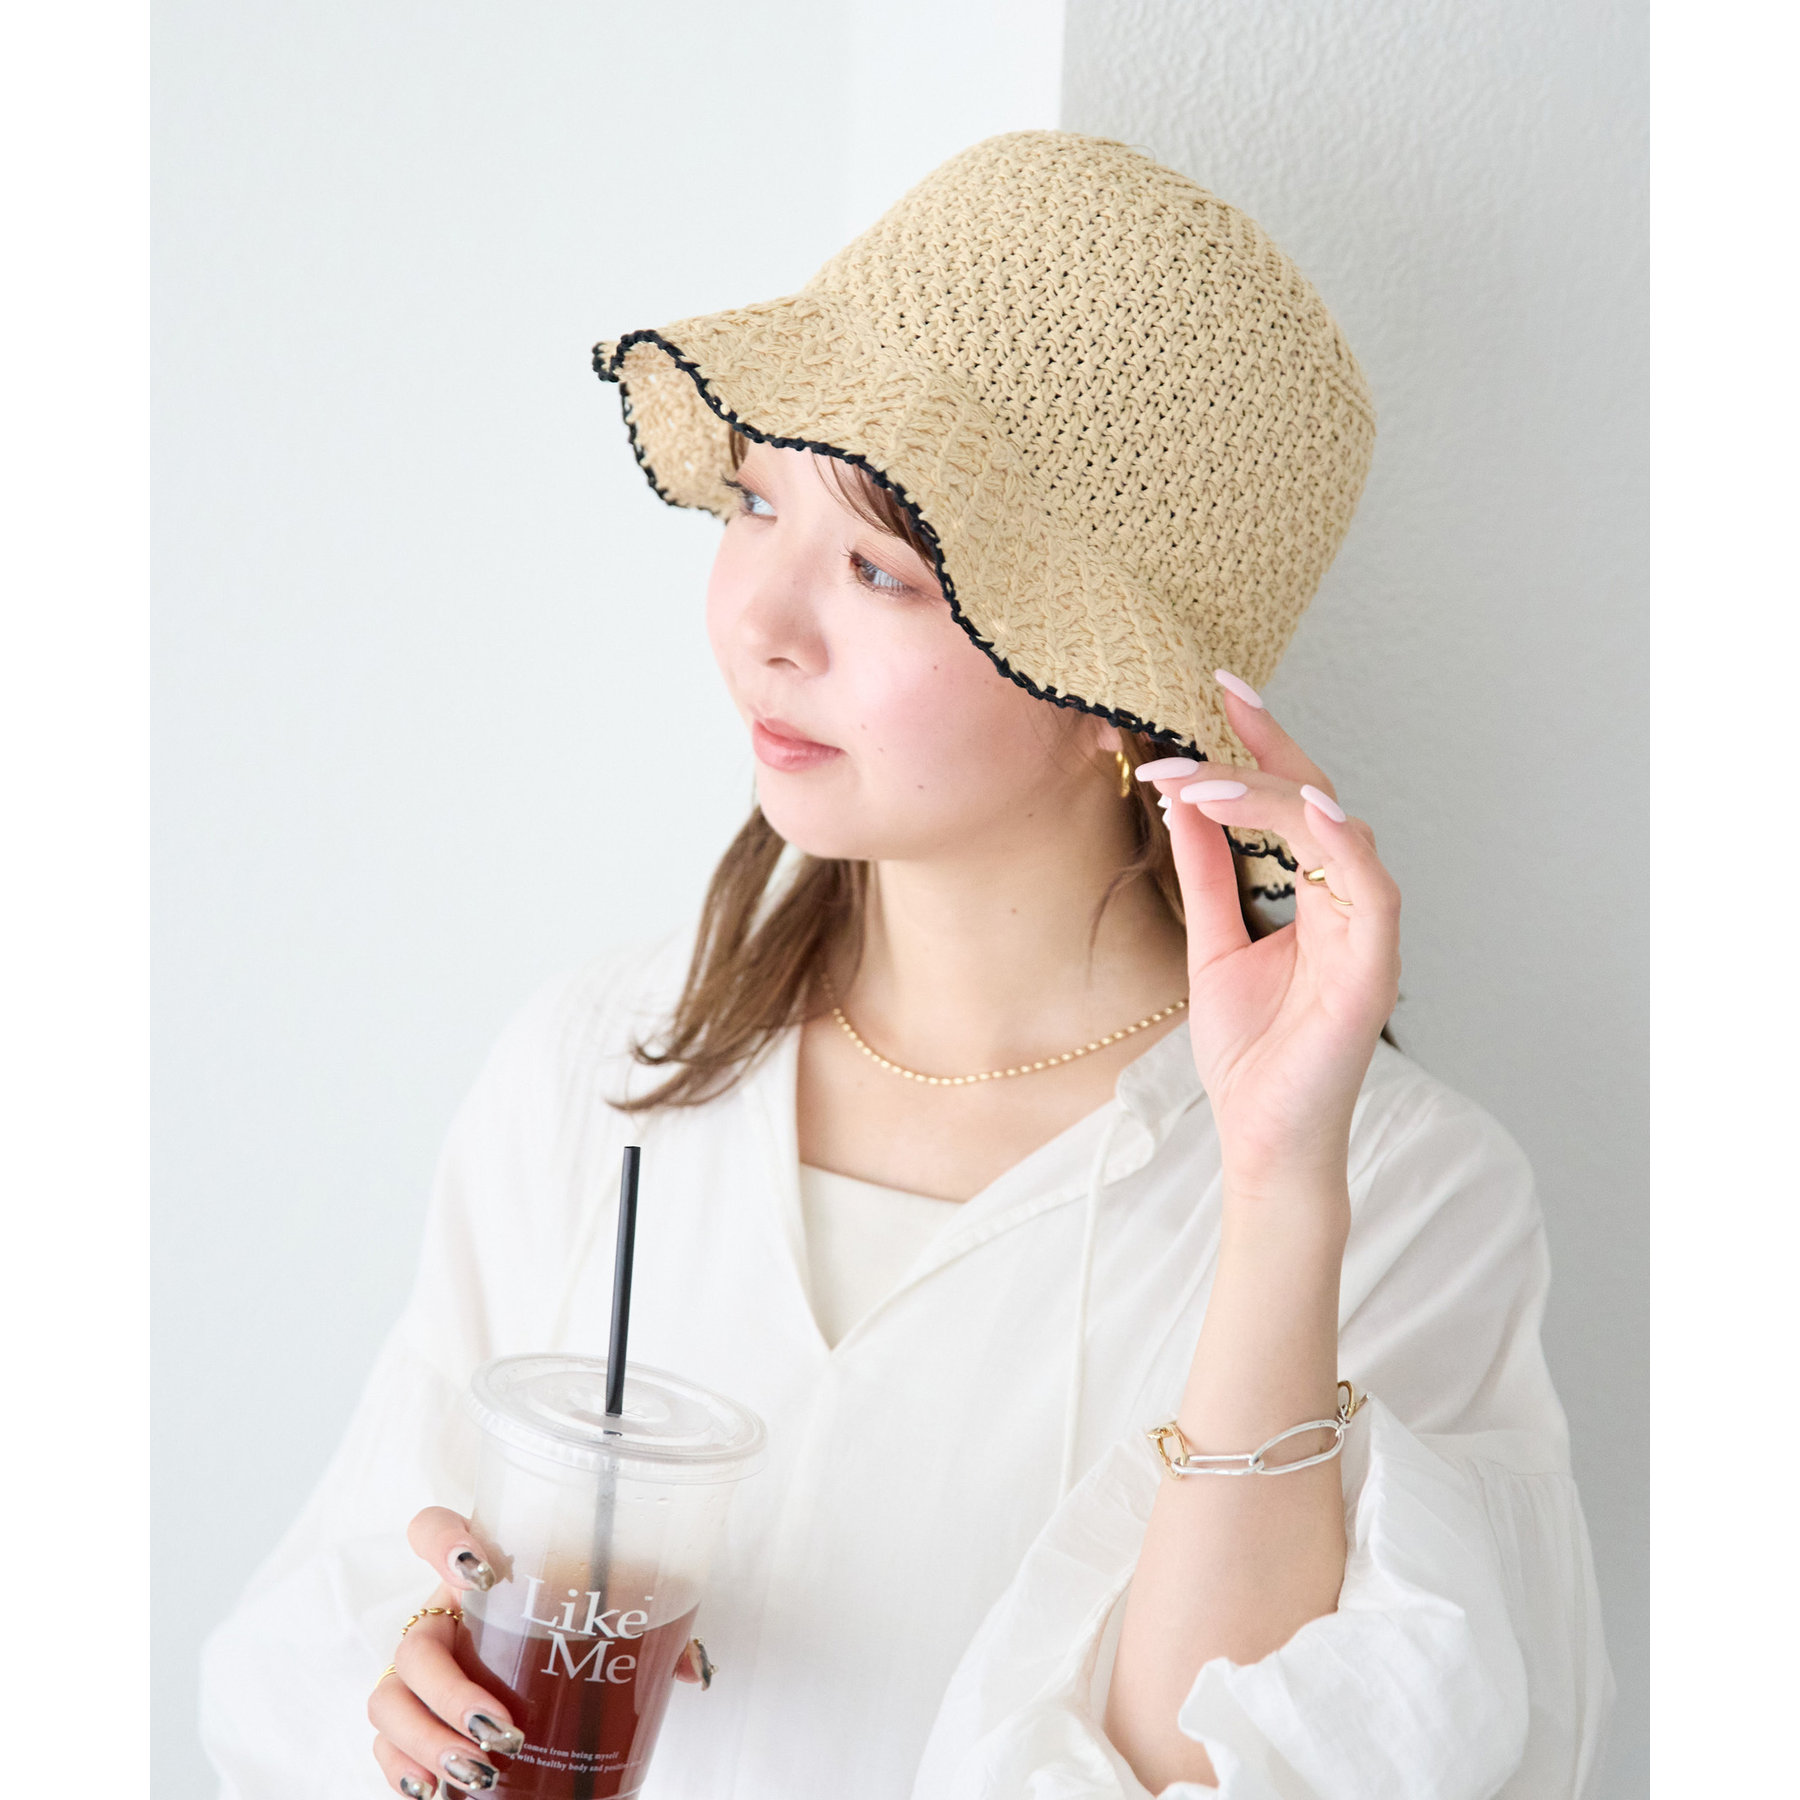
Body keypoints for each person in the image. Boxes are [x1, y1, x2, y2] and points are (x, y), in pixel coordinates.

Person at [199, 131, 1613, 1799]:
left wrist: (1280, 1188)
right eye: (755, 500)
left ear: (1108, 688)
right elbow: (315, 1636)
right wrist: (406, 1696)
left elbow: (1260, 1768)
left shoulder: (1408, 1202)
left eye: (882, 568)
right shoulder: (601, 1067)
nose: (763, 623)